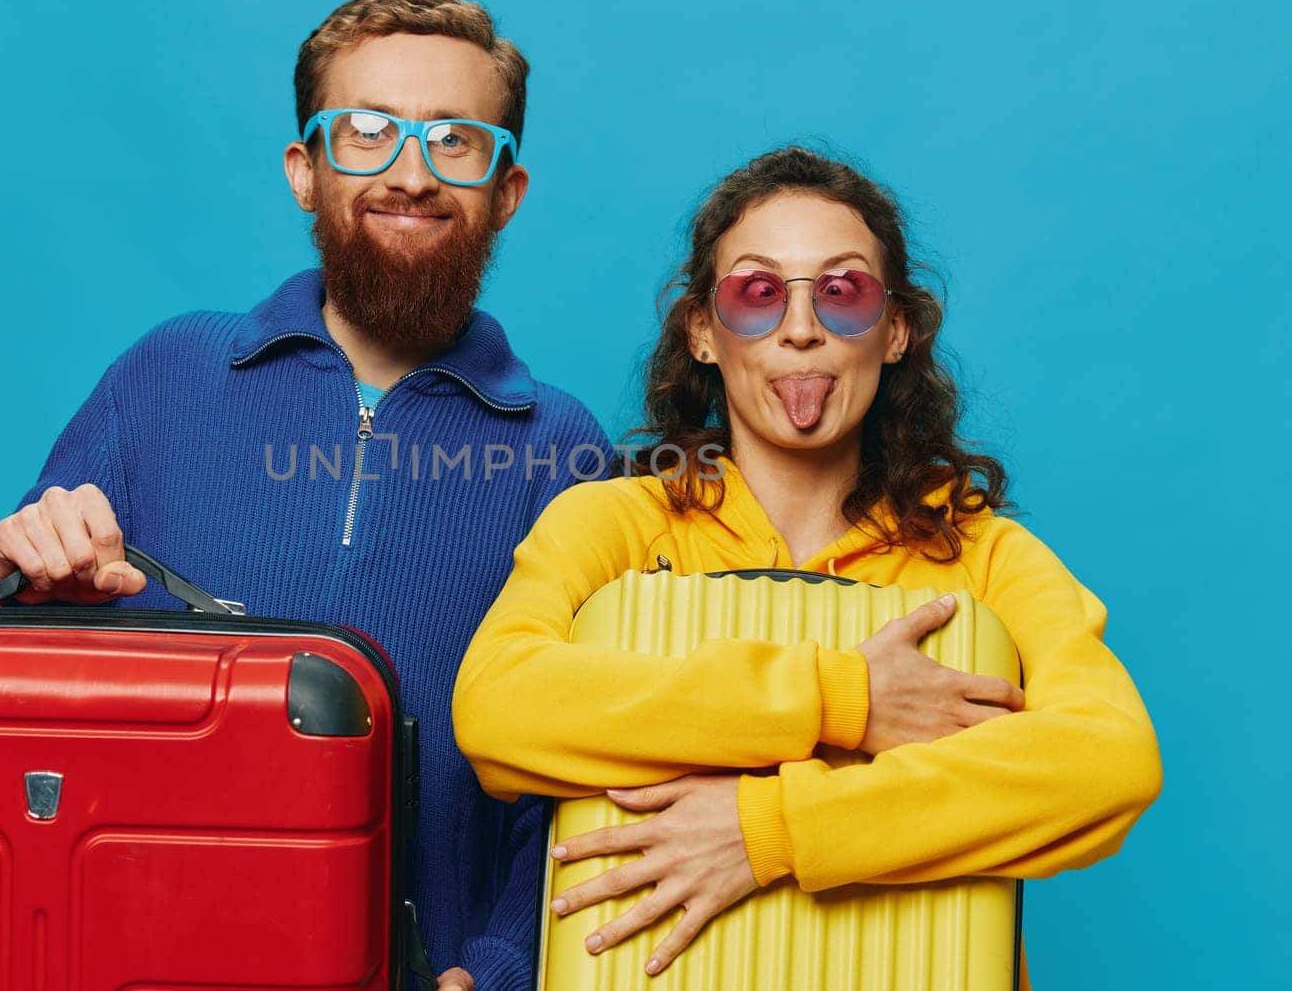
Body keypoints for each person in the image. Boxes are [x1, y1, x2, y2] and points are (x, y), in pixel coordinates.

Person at [0, 0, 611, 991]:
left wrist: (503, 966)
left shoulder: (563, 447)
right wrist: (26, 573)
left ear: (507, 189)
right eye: (366, 131)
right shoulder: (169, 372)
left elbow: (581, 768)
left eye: (455, 141)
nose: (409, 174)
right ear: (305, 170)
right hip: (132, 959)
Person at [452, 146, 1162, 984]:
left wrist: (772, 829)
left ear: (895, 331)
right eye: (756, 294)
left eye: (842, 291)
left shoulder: (983, 554)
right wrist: (844, 701)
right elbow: (497, 710)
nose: (799, 327)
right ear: (703, 333)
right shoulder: (614, 525)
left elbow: (1110, 760)